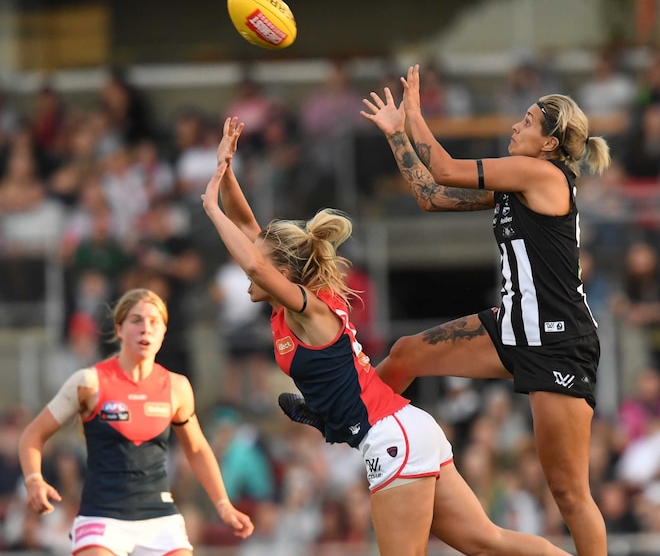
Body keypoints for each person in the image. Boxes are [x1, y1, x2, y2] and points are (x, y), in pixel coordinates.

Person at [202, 116, 570, 556]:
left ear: (283, 274)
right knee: (487, 542)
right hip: (410, 428)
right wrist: (224, 169)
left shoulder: (307, 309)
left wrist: (210, 208)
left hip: (391, 437)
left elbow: (256, 263)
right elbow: (250, 232)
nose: (246, 268)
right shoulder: (291, 305)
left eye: (257, 264)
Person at [358, 65, 610, 556]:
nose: (517, 126)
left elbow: (447, 168)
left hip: (558, 342)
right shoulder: (517, 181)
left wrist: (414, 115)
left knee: (569, 492)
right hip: (514, 325)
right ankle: (345, 414)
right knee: (406, 352)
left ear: (549, 146)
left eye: (528, 122)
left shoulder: (538, 173)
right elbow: (432, 196)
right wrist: (396, 135)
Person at [18, 287, 253, 555]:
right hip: (102, 516)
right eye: (136, 320)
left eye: (155, 322)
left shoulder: (176, 387)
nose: (146, 329)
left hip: (160, 517)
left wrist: (224, 504)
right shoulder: (89, 382)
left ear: (164, 332)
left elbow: (197, 449)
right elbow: (32, 436)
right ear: (119, 329)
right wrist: (34, 479)